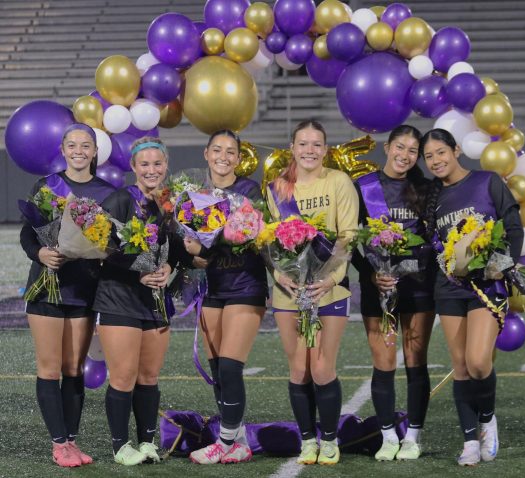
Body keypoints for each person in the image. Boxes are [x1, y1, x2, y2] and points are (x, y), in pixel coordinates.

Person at [421, 129, 524, 466]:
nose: (436, 160)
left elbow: (513, 225)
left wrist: (503, 266)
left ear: (457, 149)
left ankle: (487, 421)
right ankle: (468, 442)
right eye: (430, 156)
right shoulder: (432, 198)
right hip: (449, 289)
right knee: (461, 367)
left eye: (441, 152)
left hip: (487, 286)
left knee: (479, 362)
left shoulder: (487, 181)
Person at [20, 123, 115, 467]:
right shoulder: (47, 186)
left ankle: (72, 441)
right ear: (63, 149)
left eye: (85, 145)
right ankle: (59, 444)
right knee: (50, 368)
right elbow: (28, 235)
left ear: (94, 152)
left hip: (83, 289)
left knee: (73, 368)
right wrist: (41, 254)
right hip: (47, 287)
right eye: (72, 144)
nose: (78, 150)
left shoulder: (106, 191)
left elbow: (111, 244)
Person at [266, 120, 359, 466]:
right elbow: (270, 240)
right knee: (299, 371)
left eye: (316, 144)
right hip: (290, 292)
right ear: (292, 147)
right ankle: (307, 440)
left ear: (325, 149)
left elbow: (348, 235)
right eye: (303, 144)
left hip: (329, 290)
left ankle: (330, 439)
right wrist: (280, 273)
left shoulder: (338, 182)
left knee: (321, 369)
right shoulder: (278, 188)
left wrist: (331, 280)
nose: (309, 150)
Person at [93, 137, 189, 466]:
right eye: (144, 164)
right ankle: (121, 446)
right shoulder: (119, 200)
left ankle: (147, 442)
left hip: (155, 302)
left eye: (157, 164)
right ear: (133, 167)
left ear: (166, 166)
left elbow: (179, 251)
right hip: (119, 299)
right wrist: (139, 273)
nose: (151, 170)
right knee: (123, 377)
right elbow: (102, 249)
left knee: (149, 377)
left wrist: (168, 267)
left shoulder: (172, 204)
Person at [184, 130, 269, 465]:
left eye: (230, 151)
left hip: (245, 286)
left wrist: (209, 244)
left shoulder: (249, 190)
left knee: (232, 367)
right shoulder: (193, 193)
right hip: (212, 289)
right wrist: (189, 254)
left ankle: (224, 441)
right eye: (217, 149)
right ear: (206, 153)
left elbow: (247, 235)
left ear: (238, 157)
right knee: (219, 370)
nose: (223, 156)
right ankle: (241, 440)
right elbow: (186, 240)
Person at [353, 125, 435, 461]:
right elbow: (352, 241)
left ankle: (413, 435)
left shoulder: (426, 189)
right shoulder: (365, 187)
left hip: (418, 287)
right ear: (387, 147)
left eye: (412, 151)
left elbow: (434, 241)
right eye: (399, 147)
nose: (404, 155)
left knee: (416, 361)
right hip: (378, 288)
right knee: (383, 362)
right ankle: (388, 436)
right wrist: (372, 274)